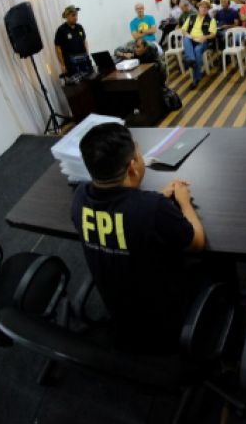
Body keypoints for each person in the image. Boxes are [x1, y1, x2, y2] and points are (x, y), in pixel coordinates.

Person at [73, 123, 205, 353]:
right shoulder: (152, 209)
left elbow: (119, 217)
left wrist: (154, 199)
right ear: (133, 166)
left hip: (120, 313)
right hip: (164, 318)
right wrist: (184, 202)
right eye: (138, 152)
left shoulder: (79, 198)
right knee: (214, 263)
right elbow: (197, 242)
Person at [182, 0, 217, 89]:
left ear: (208, 9)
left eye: (206, 7)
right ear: (199, 7)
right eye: (202, 7)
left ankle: (196, 79)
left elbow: (213, 34)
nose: (204, 9)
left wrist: (205, 37)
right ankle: (192, 60)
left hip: (202, 41)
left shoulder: (211, 20)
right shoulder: (191, 17)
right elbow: (183, 30)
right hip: (191, 39)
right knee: (186, 39)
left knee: (197, 50)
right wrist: (188, 35)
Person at [54, 5, 89, 76]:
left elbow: (84, 41)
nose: (76, 17)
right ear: (67, 16)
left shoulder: (80, 27)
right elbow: (58, 48)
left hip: (83, 60)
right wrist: (62, 65)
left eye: (76, 15)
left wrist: (87, 55)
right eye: (73, 15)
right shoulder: (61, 30)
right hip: (71, 64)